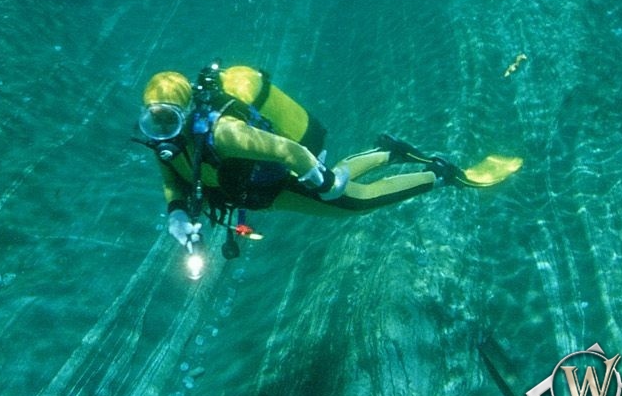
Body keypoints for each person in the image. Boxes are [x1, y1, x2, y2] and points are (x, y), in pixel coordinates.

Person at [135, 65, 520, 257]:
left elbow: (288, 152)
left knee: (354, 204)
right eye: (153, 118)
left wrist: (319, 181)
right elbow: (172, 177)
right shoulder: (165, 144)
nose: (160, 128)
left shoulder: (223, 134)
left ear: (186, 110)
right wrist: (176, 213)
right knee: (342, 188)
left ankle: (440, 174)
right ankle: (391, 152)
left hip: (278, 178)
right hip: (258, 192)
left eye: (168, 117)